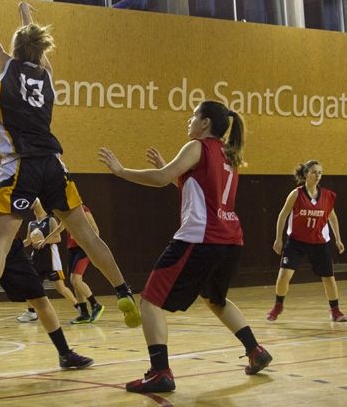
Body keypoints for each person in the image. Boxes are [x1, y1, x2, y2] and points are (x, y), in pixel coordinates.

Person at [0, 0, 140, 361]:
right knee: (89, 238)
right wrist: (28, 17)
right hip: (54, 165)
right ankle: (124, 291)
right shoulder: (46, 74)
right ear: (40, 50)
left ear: (15, 50)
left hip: (20, 166)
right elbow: (35, 51)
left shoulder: (7, 67)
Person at [98, 101, 272, 393]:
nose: (189, 120)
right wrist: (173, 170)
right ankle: (255, 350)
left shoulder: (197, 147)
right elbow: (201, 191)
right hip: (230, 240)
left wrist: (121, 170)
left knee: (150, 300)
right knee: (215, 300)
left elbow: (161, 178)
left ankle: (160, 372)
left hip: (201, 238)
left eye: (194, 115)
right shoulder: (228, 154)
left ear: (205, 124)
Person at [0, 106, 94, 384]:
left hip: (10, 249)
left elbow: (46, 203)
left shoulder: (23, 176)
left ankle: (65, 354)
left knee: (41, 299)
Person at [267, 160, 347, 323]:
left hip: (319, 242)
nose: (317, 175)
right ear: (305, 174)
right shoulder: (296, 194)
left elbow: (332, 217)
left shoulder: (327, 196)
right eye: (314, 172)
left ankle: (335, 310)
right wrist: (278, 238)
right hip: (296, 241)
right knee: (284, 275)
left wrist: (338, 239)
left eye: (320, 173)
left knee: (328, 277)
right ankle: (278, 305)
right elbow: (282, 215)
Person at [17, 199, 81, 323]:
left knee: (60, 287)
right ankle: (31, 312)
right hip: (36, 258)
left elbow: (57, 238)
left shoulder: (50, 220)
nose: (33, 203)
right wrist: (16, 246)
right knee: (30, 285)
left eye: (35, 201)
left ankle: (79, 308)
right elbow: (28, 241)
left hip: (51, 258)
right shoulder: (31, 224)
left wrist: (44, 241)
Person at [65, 206, 105, 324]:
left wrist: (93, 247)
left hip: (84, 247)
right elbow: (61, 227)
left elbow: (96, 230)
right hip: (72, 249)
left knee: (76, 280)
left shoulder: (83, 209)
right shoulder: (66, 212)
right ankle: (84, 313)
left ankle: (95, 305)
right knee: (73, 281)